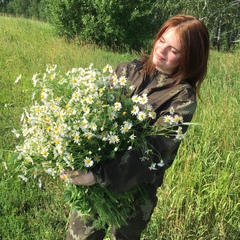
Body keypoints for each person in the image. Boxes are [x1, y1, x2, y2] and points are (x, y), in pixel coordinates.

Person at [60, 14, 210, 240]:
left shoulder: (182, 98)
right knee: (81, 235)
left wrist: (100, 175)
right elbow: (94, 113)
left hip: (135, 190)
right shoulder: (128, 70)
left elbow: (156, 147)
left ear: (189, 57)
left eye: (174, 50)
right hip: (94, 177)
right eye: (161, 40)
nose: (161, 50)